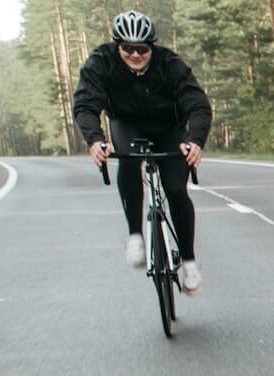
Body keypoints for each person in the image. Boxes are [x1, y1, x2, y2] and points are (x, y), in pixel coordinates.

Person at [73, 10, 211, 296]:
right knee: (129, 160)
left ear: (152, 46)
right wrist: (95, 140)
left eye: (142, 49)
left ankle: (189, 261)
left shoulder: (170, 63)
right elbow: (86, 105)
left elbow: (198, 104)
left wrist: (195, 140)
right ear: (117, 45)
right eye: (127, 48)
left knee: (175, 188)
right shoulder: (101, 61)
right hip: (128, 124)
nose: (135, 54)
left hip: (169, 127)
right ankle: (135, 235)